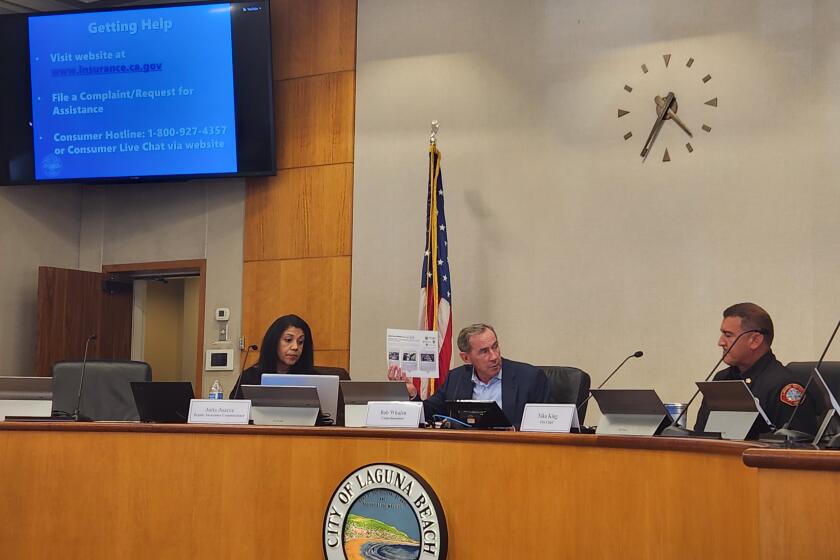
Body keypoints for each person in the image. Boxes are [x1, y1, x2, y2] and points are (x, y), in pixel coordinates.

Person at [388, 323, 550, 428]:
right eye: (484, 351)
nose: (494, 356)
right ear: (466, 358)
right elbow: (430, 413)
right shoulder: (456, 379)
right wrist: (412, 393)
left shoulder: (530, 378)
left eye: (495, 347)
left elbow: (545, 424)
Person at [694, 303, 817, 435]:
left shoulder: (784, 387)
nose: (720, 342)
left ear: (755, 340)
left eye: (728, 335)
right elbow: (700, 436)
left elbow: (798, 448)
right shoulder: (721, 379)